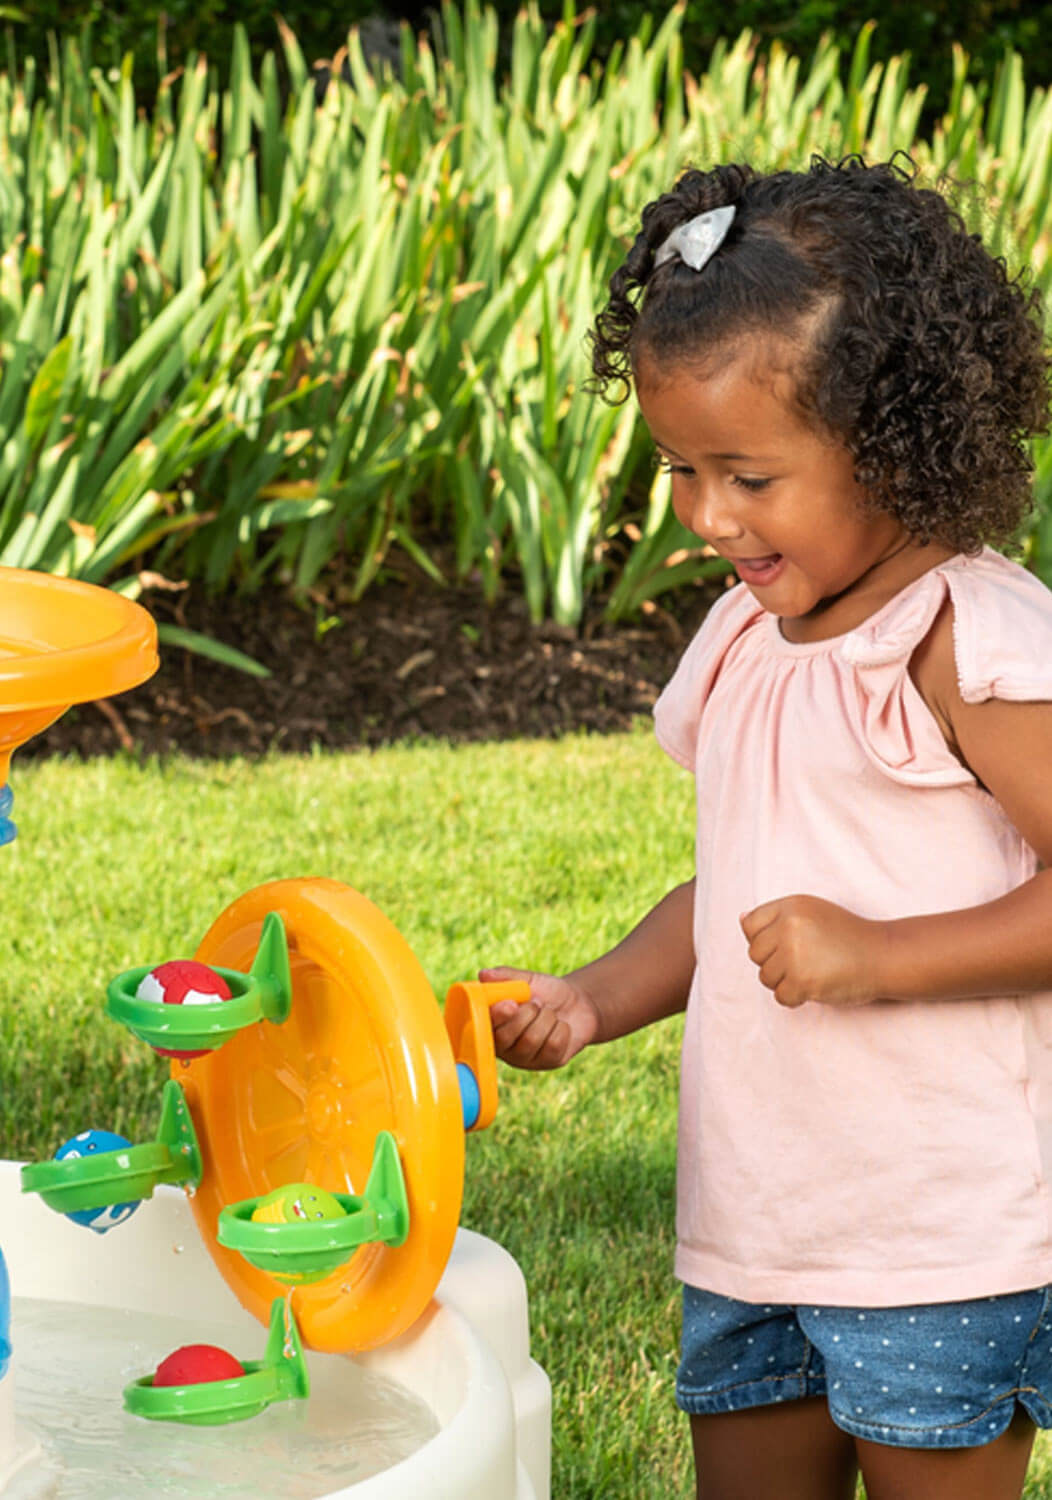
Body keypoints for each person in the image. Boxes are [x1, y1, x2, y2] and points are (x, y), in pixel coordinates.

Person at [481, 154, 1052, 1500]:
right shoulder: (745, 636)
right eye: (681, 469)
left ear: (894, 444)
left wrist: (879, 955)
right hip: (754, 1223)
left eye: (746, 475)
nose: (704, 515)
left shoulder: (966, 641)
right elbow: (733, 886)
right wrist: (594, 997)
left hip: (939, 1240)